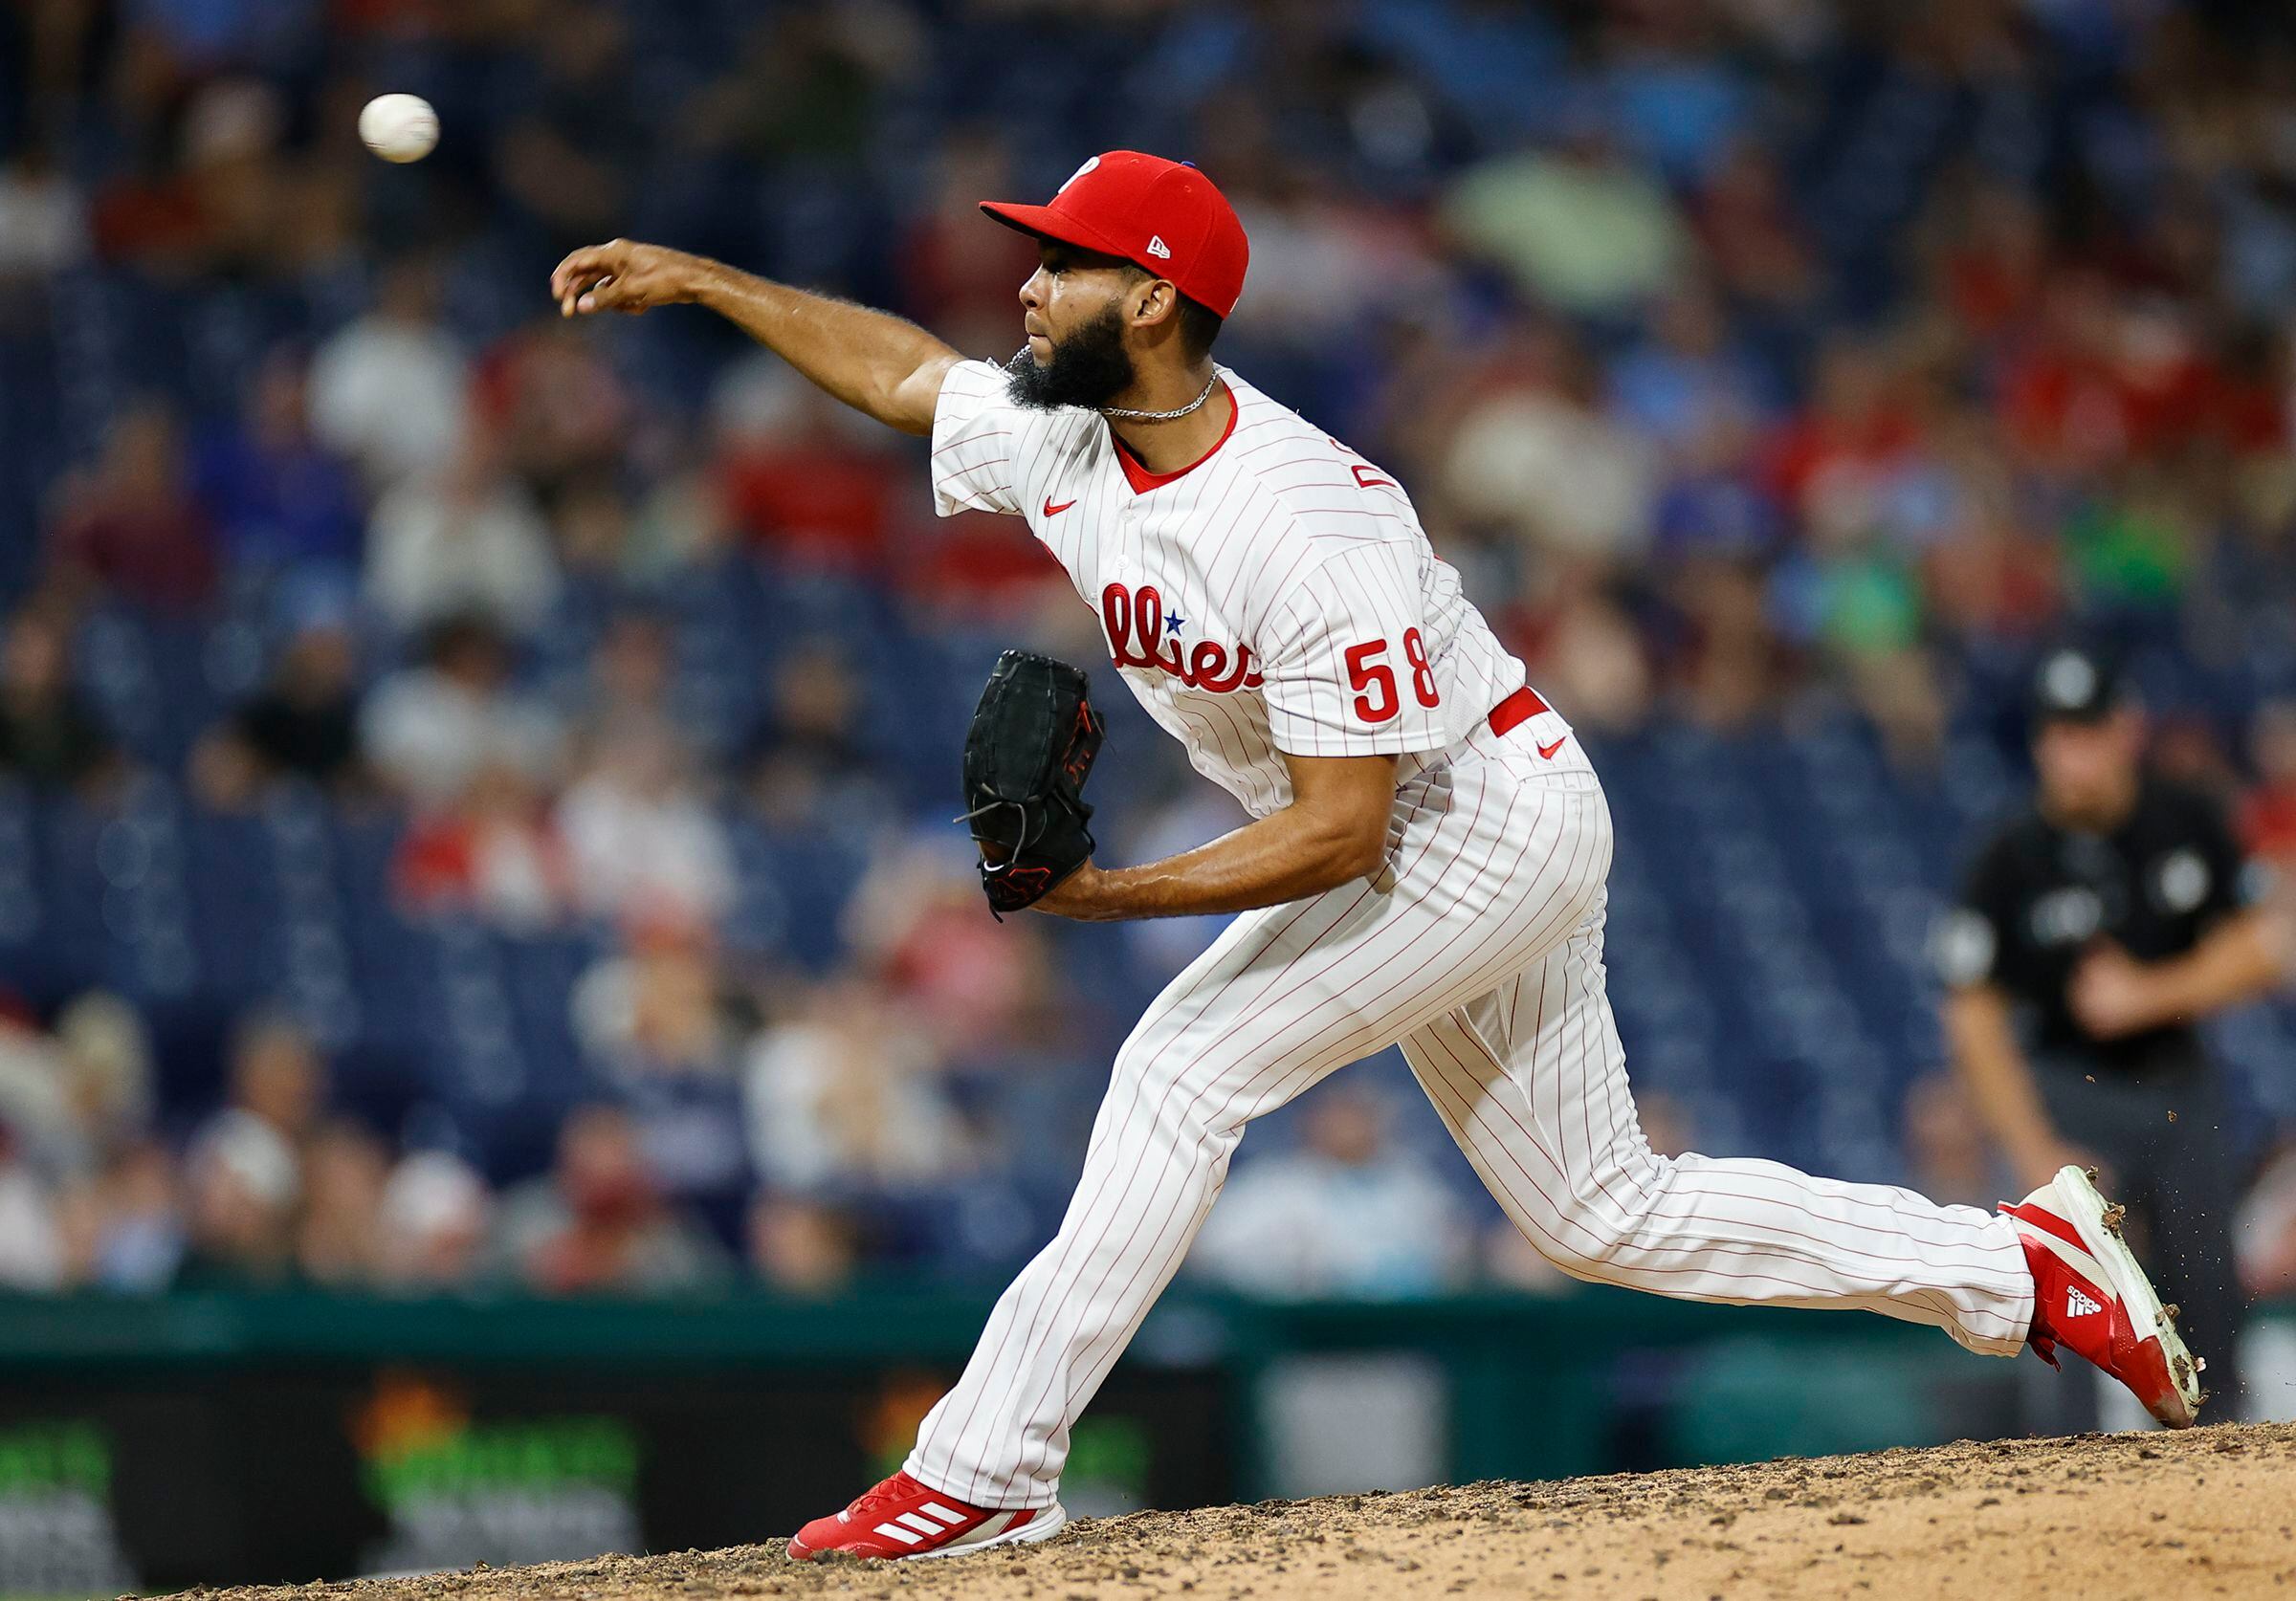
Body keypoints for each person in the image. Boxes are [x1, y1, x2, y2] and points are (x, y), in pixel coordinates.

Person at [551, 150, 2206, 1563]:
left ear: (1149, 297)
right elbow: (905, 374)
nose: (1026, 287)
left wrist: (1105, 896)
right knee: (1597, 1208)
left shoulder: (1303, 514)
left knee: (1179, 1063)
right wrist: (705, 280)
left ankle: (983, 1469)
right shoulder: (1070, 432)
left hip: (1476, 815)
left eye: (1056, 261)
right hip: (1440, 818)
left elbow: (1346, 828)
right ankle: (2023, 1263)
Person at [1937, 645, 2285, 1423]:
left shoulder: (2184, 817)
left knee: (2207, 1298)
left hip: (2176, 1086)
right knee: (2066, 1306)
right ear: (2039, 744)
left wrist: (2149, 994)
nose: (2075, 754)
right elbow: (1972, 1015)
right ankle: (2065, 1496)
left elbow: (2265, 944)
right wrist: (2031, 1150)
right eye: (2060, 735)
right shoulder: (2009, 858)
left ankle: (2220, 1478)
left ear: (2126, 730)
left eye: (2090, 732)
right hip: (2068, 1094)